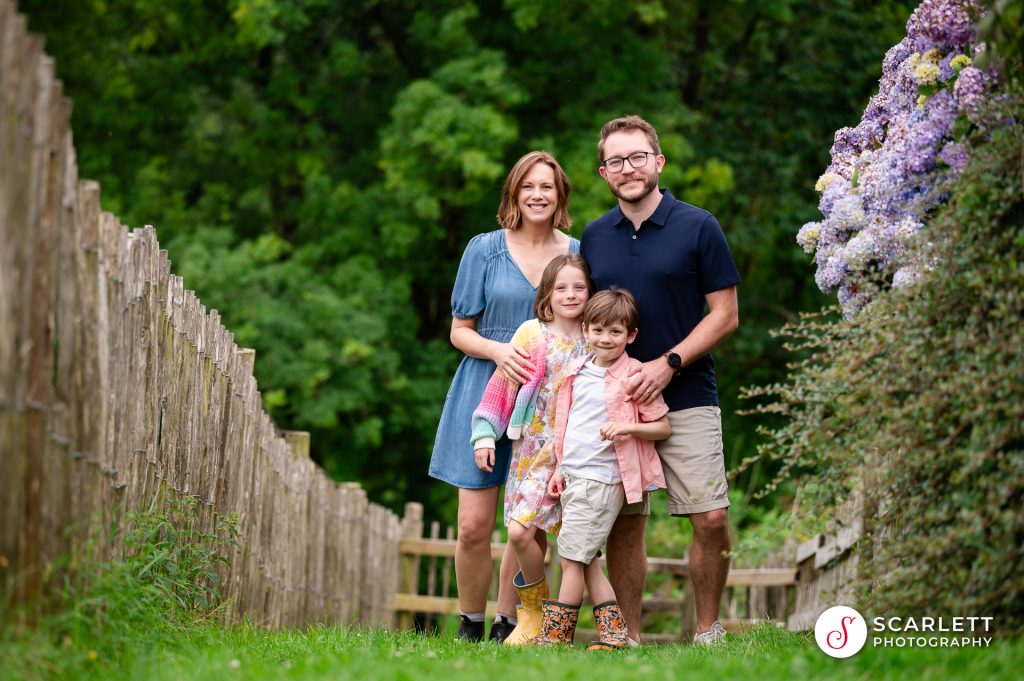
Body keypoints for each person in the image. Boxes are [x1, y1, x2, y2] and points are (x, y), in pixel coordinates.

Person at [581, 115, 740, 646]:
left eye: (637, 157)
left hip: (687, 392)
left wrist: (667, 364)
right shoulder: (595, 236)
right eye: (616, 161)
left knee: (711, 517)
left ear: (658, 162)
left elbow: (725, 314)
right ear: (604, 172)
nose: (628, 169)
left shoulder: (699, 226)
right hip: (615, 401)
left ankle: (706, 630)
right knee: (625, 521)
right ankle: (624, 635)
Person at [428, 151, 580, 642]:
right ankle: (469, 623)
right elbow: (458, 330)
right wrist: (501, 351)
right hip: (485, 390)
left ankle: (508, 622)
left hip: (547, 402)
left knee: (528, 521)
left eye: (547, 187)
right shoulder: (484, 250)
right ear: (514, 194)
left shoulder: (576, 251)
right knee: (474, 525)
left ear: (560, 195)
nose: (538, 195)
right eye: (528, 186)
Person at [533, 288, 671, 649]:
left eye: (615, 332)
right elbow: (568, 427)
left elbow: (662, 427)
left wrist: (628, 428)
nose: (605, 339)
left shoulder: (636, 375)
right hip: (575, 476)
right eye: (598, 330)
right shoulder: (577, 371)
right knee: (587, 559)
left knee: (571, 560)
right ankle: (615, 635)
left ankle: (555, 637)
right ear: (585, 330)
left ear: (631, 335)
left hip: (602, 479)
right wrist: (560, 469)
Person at [470, 254, 592, 645]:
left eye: (579, 287)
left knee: (573, 541)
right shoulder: (531, 334)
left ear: (590, 291)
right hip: (531, 452)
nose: (570, 295)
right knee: (521, 532)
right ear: (547, 294)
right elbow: (503, 388)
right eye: (561, 288)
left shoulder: (596, 338)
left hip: (576, 454)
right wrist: (486, 433)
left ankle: (574, 628)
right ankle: (534, 611)